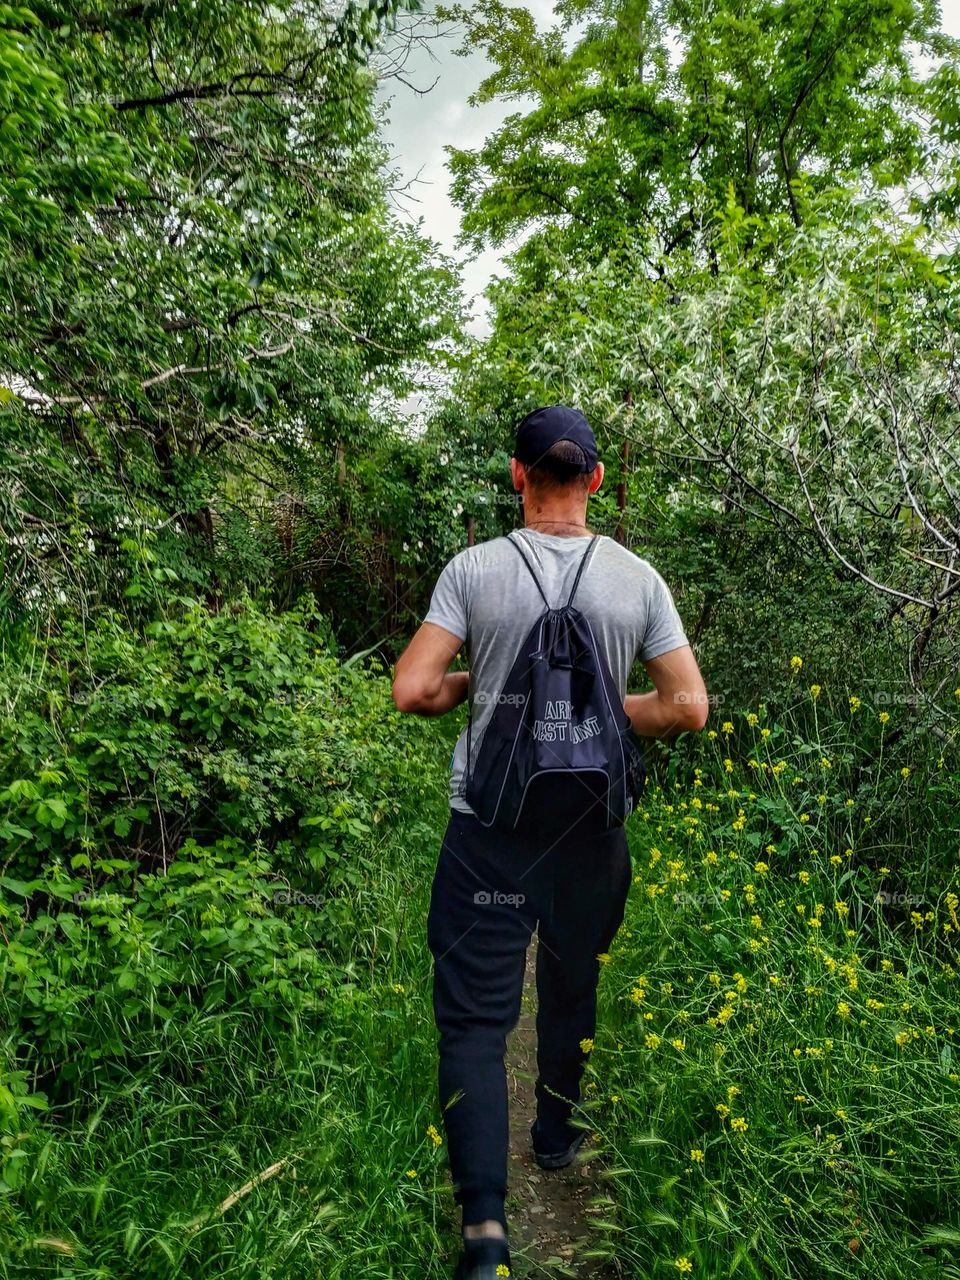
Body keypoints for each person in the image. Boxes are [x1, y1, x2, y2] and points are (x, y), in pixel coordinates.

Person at [392, 404, 708, 1280]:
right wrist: (609, 711)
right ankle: (558, 1137)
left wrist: (475, 689)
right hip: (589, 835)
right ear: (596, 481)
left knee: (475, 1018)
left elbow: (412, 689)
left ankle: (486, 1233)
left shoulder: (474, 570)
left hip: (489, 834)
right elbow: (688, 707)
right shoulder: (637, 579)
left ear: (518, 476)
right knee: (572, 985)